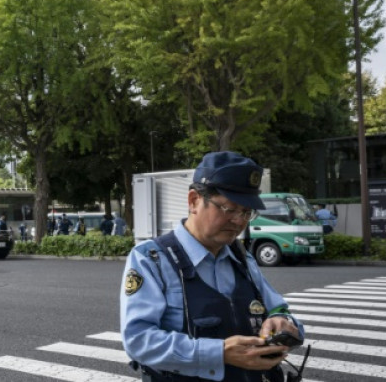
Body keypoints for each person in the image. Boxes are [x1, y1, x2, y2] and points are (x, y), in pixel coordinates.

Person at [120, 151, 303, 382]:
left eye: (247, 212)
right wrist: (219, 353)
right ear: (194, 200)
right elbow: (138, 340)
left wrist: (284, 325)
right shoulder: (151, 259)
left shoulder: (241, 256)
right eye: (229, 209)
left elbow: (278, 309)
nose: (239, 221)